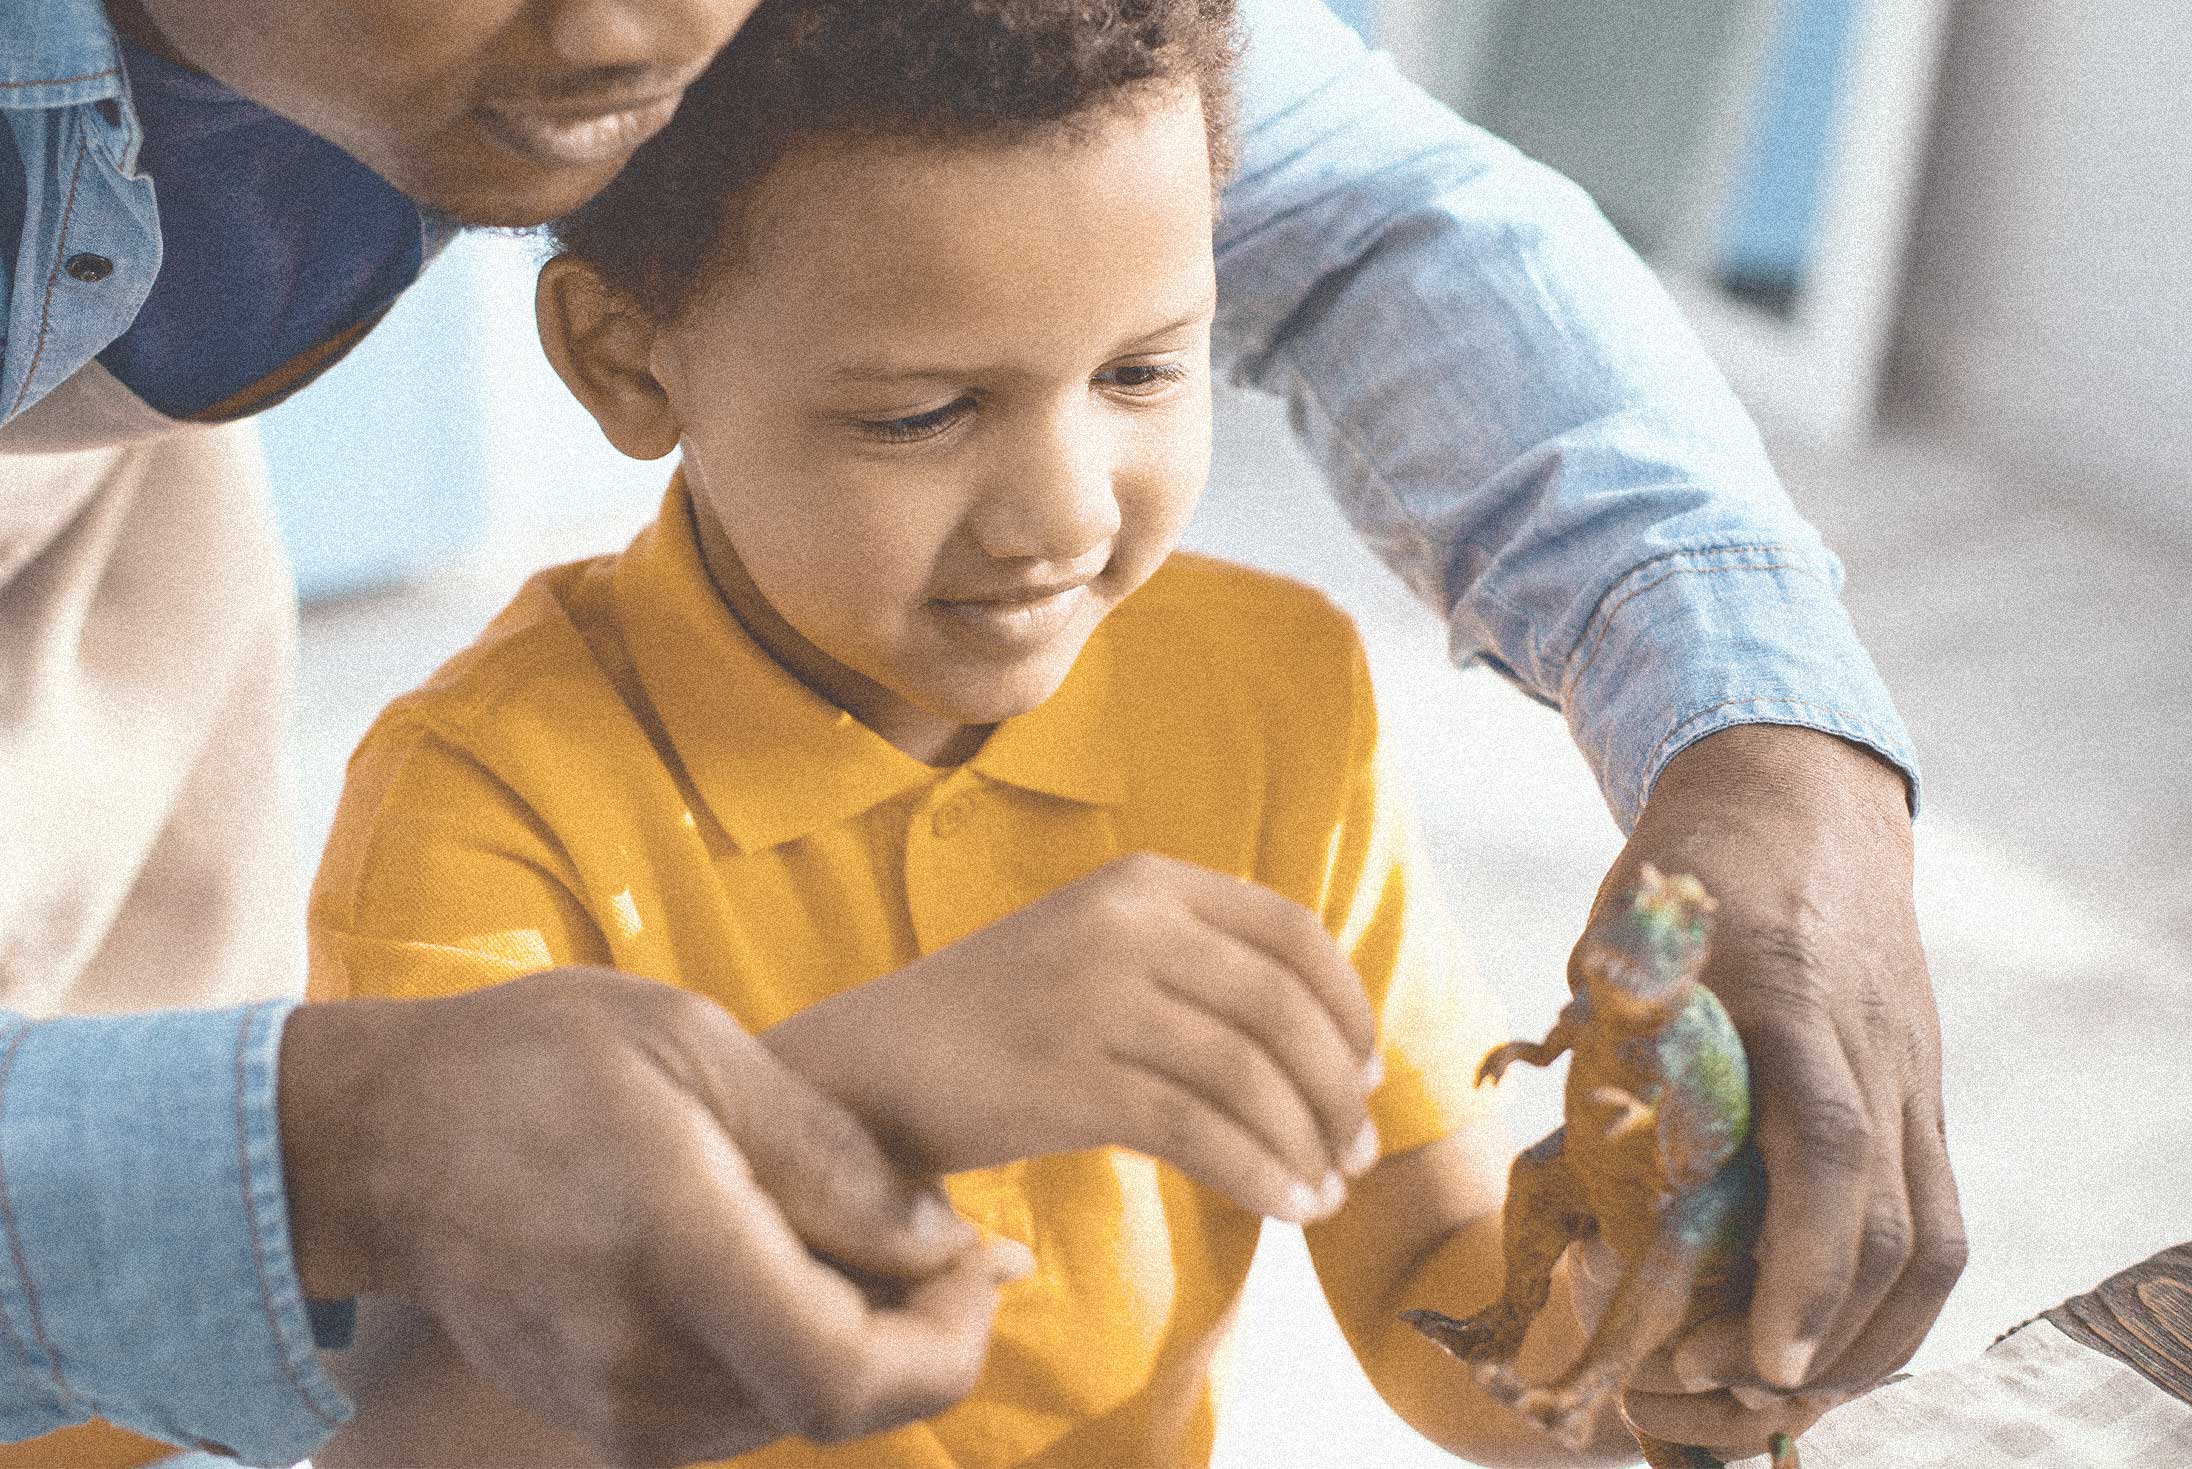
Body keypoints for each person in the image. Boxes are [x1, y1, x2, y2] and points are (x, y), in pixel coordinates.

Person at [0, 0, 1961, 1460]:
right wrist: (859, 1107)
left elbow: (1425, 1249)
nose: (1057, 516)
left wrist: (1638, 1348)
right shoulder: (484, 803)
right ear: (620, 359)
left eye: (1142, 374)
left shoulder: (1264, 699)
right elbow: (420, 1424)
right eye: (917, 413)